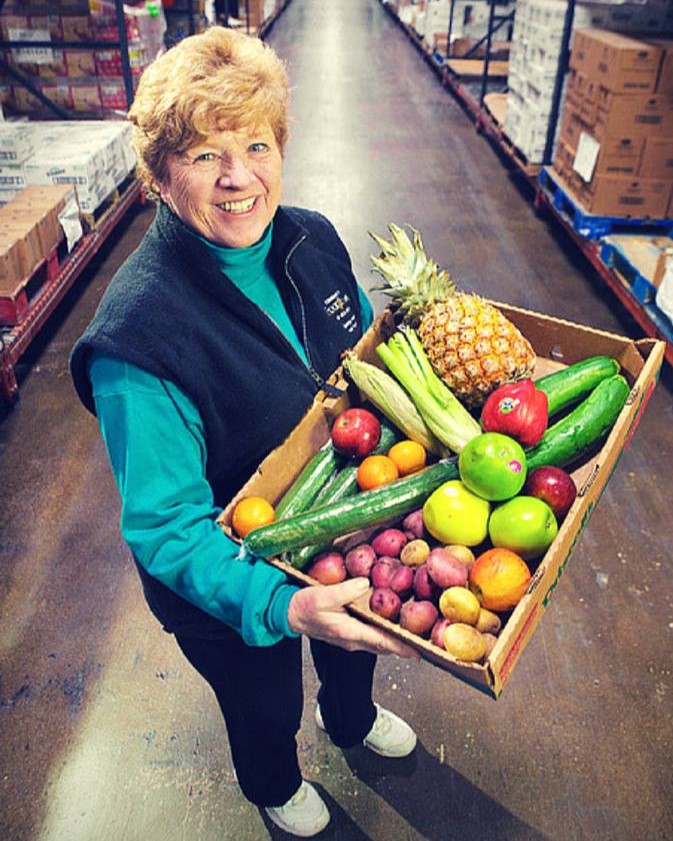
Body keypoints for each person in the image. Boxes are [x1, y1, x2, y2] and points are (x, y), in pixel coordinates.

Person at [70, 26, 419, 838]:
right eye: (204, 155)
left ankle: (350, 717)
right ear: (159, 175)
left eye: (256, 145)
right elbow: (166, 527)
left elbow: (362, 360)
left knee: (353, 639)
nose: (238, 177)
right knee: (261, 694)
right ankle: (273, 781)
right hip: (222, 575)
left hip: (335, 516)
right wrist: (279, 604)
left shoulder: (312, 239)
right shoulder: (137, 338)